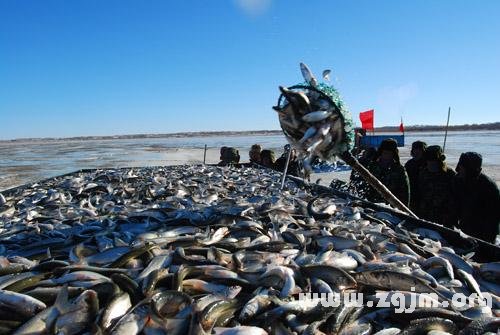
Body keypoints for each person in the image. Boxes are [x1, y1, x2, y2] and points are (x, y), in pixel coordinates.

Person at [453, 152, 500, 243]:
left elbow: (494, 218)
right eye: (459, 166)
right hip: (464, 227)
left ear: (471, 169)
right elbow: (455, 204)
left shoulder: (489, 187)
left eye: (463, 167)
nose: (459, 170)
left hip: (484, 232)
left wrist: (489, 239)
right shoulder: (458, 180)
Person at [416, 145, 456, 227]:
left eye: (433, 160)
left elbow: (454, 196)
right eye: (428, 160)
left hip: (443, 216)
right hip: (425, 214)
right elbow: (420, 192)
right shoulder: (423, 173)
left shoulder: (449, 174)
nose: (430, 163)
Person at [366, 138, 410, 206]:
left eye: (390, 153)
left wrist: (403, 210)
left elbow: (405, 192)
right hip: (373, 204)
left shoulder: (399, 169)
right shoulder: (372, 167)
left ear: (394, 155)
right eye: (385, 153)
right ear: (381, 153)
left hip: (392, 207)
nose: (387, 156)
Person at [405, 141, 427, 212]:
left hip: (426, 196)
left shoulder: (428, 164)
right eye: (415, 150)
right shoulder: (409, 164)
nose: (417, 152)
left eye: (419, 150)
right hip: (413, 196)